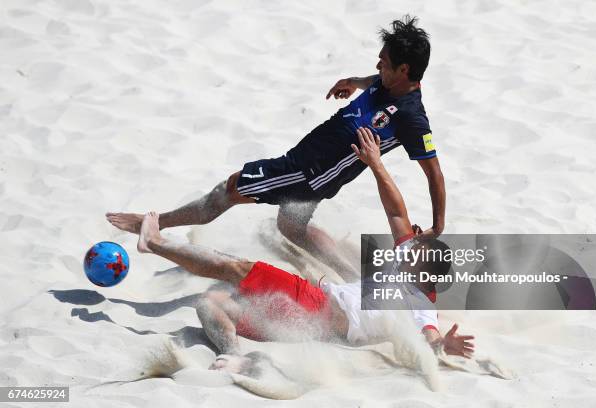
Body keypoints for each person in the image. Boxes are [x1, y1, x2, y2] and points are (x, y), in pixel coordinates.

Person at [106, 15, 446, 280]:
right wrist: (355, 83)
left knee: (230, 188)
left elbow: (434, 173)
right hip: (310, 170)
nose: (377, 66)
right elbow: (376, 83)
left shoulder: (412, 119)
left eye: (384, 62)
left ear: (404, 70)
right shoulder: (390, 84)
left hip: (303, 172)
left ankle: (154, 225)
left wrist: (437, 225)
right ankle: (357, 282)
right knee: (291, 228)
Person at [135, 127, 470, 372]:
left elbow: (429, 337)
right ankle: (233, 355)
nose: (408, 248)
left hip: (320, 304)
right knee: (211, 305)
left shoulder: (421, 303)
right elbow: (396, 211)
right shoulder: (407, 261)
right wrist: (375, 164)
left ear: (425, 276)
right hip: (311, 324)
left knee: (238, 269)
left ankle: (155, 243)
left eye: (415, 253)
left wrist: (443, 345)